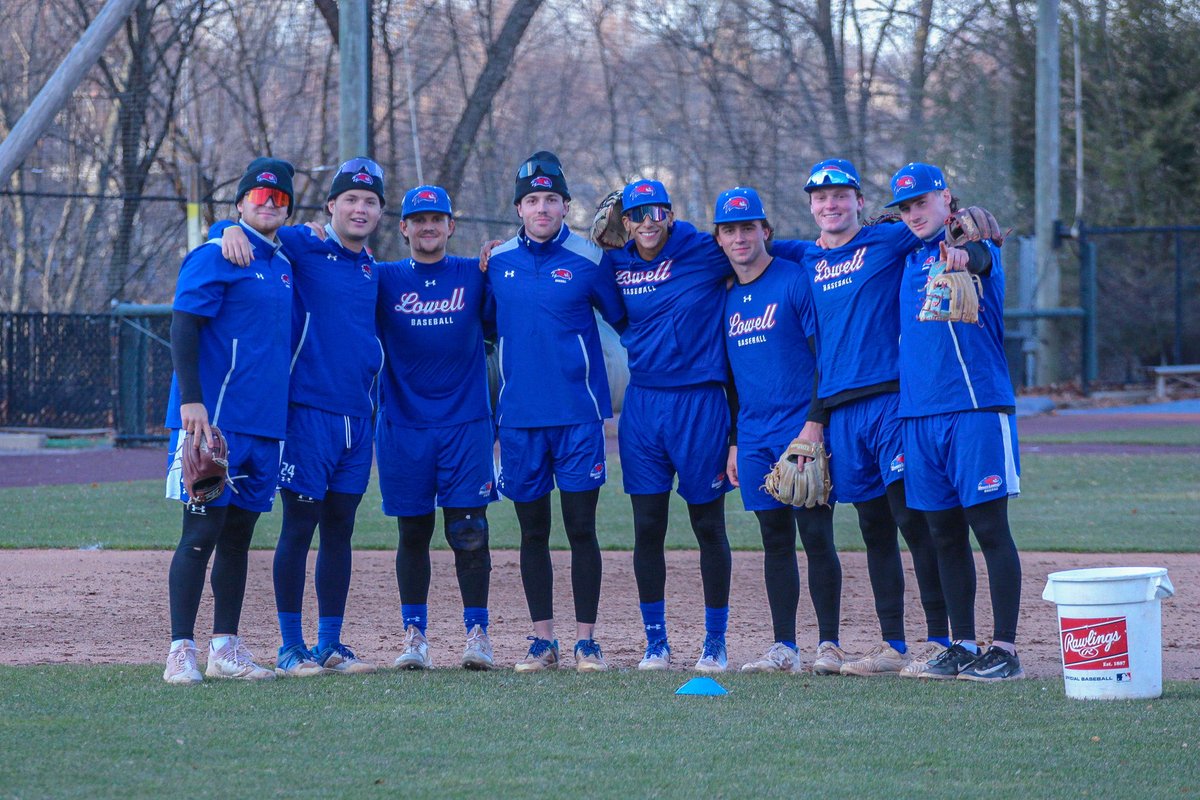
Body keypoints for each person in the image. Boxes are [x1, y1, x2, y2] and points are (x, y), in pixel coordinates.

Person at [771, 158, 950, 676]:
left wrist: (972, 218)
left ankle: (939, 639)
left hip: (890, 401)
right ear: (810, 206)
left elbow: (938, 222)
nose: (831, 205)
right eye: (821, 198)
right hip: (842, 412)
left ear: (859, 202)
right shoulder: (802, 257)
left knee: (910, 519)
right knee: (873, 527)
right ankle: (893, 646)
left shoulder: (887, 241)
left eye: (841, 195)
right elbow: (743, 249)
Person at [217, 156, 387, 676]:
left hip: (358, 420)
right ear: (330, 205)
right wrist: (222, 227)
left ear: (381, 212)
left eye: (371, 201)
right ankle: (290, 648)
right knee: (299, 528)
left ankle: (329, 644)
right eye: (350, 199)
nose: (360, 208)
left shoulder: (373, 269)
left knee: (341, 530)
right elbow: (253, 224)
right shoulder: (303, 246)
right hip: (307, 415)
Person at [487, 151, 626, 672]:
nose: (541, 208)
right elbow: (483, 326)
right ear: (519, 208)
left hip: (578, 416)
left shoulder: (591, 260)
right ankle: (542, 641)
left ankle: (586, 641)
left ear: (566, 206)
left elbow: (626, 318)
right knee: (531, 533)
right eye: (531, 200)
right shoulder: (496, 261)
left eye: (551, 199)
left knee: (582, 529)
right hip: (520, 419)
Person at [885, 162, 1024, 681]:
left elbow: (983, 257)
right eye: (905, 206)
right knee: (943, 532)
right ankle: (962, 644)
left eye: (922, 201)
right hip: (919, 414)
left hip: (974, 408)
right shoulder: (907, 256)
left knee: (988, 526)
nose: (914, 213)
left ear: (946, 198)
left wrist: (966, 251)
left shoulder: (971, 241)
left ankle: (1006, 651)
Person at [161, 157, 296, 684]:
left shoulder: (283, 263)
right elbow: (184, 326)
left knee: (240, 536)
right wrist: (191, 401)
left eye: (279, 198)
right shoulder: (215, 254)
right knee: (201, 530)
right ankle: (179, 649)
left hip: (264, 424)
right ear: (240, 203)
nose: (269, 203)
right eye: (259, 197)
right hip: (213, 421)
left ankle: (225, 648)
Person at [603, 179, 734, 672]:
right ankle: (655, 641)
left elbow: (762, 251)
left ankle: (714, 641)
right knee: (648, 527)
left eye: (657, 210)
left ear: (670, 213)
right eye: (637, 214)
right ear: (625, 222)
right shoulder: (615, 263)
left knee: (707, 524)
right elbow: (596, 295)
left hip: (700, 401)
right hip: (644, 406)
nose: (648, 221)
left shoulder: (701, 248)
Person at [715, 187, 845, 675]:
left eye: (748, 226)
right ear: (721, 240)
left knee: (815, 535)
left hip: (800, 428)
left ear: (765, 231)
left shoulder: (794, 280)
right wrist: (732, 440)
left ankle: (829, 644)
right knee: (773, 539)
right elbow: (728, 378)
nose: (740, 236)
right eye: (730, 229)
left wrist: (816, 423)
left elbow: (823, 358)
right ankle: (784, 646)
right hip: (752, 433)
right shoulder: (725, 296)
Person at [375, 185, 499, 671]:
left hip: (465, 425)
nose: (428, 227)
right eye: (418, 219)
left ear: (451, 225)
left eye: (437, 218)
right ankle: (415, 635)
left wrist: (498, 253)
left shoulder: (474, 273)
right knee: (413, 531)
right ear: (403, 227)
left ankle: (477, 632)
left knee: (470, 531)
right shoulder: (384, 278)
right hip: (404, 426)